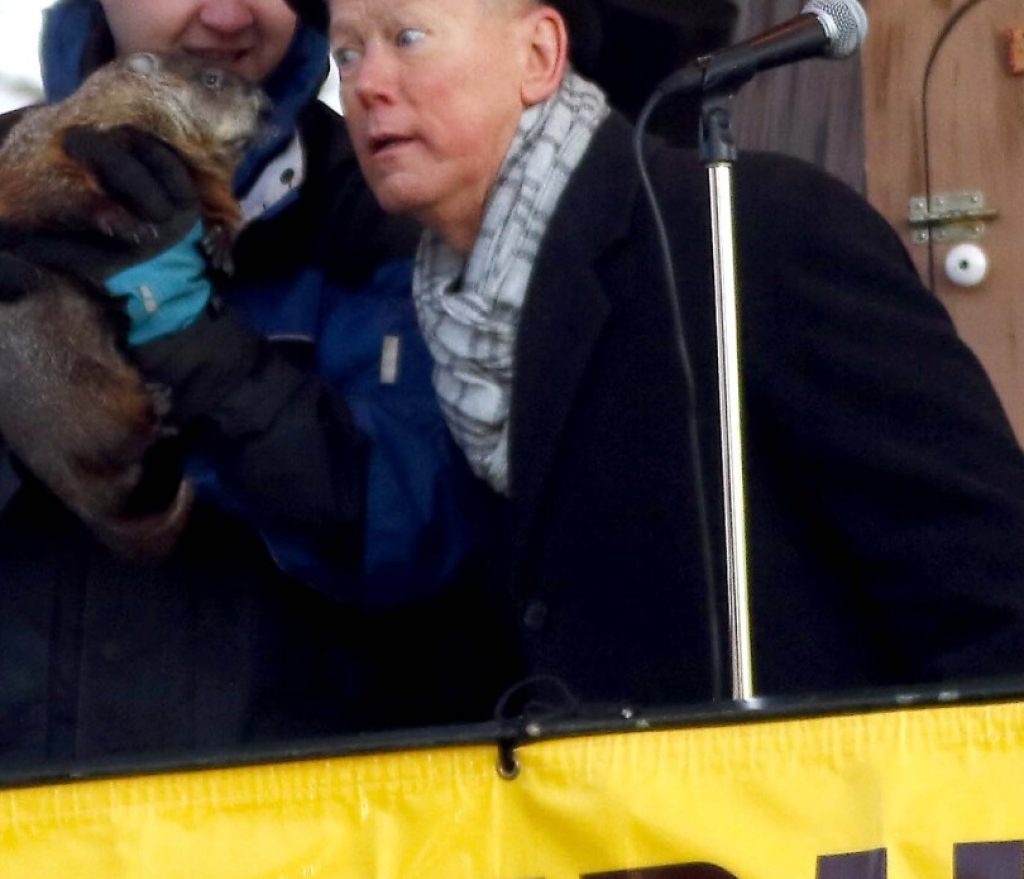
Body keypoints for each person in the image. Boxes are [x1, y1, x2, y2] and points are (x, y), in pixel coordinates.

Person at [287, 0, 1024, 709]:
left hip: (813, 822)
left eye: (408, 37)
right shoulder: (436, 315)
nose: (367, 84)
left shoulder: (751, 232)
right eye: (346, 54)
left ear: (538, 54)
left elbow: (987, 588)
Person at [0, 0, 514, 765]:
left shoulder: (393, 209)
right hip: (36, 846)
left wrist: (192, 341)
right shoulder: (9, 180)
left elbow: (416, 527)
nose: (231, 13)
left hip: (287, 842)